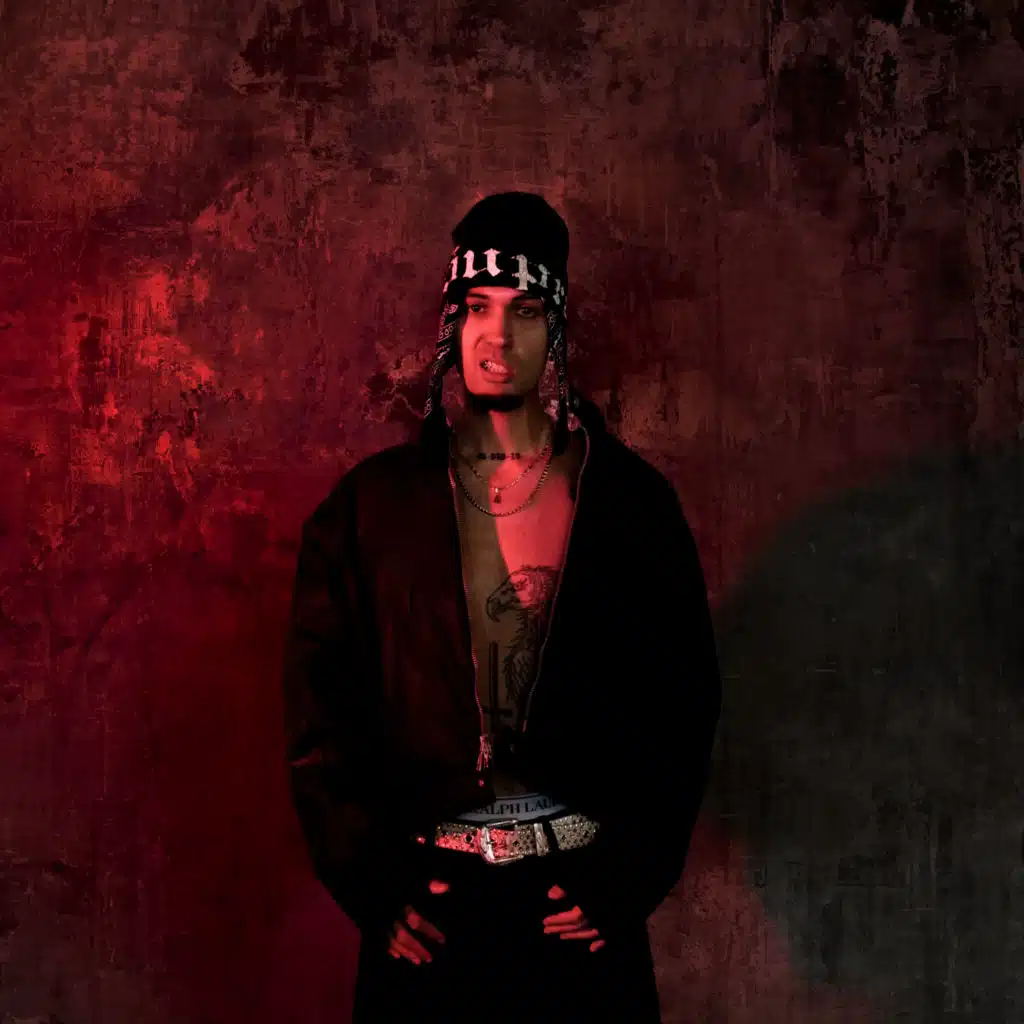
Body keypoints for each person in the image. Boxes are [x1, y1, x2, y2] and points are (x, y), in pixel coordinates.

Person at [281, 191, 722, 1022]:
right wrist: (373, 882)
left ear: (554, 326)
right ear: (450, 323)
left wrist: (625, 877)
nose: (497, 334)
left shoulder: (629, 506)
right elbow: (320, 715)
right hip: (433, 907)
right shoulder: (369, 512)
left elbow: (681, 706)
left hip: (576, 907)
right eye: (477, 307)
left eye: (524, 310)